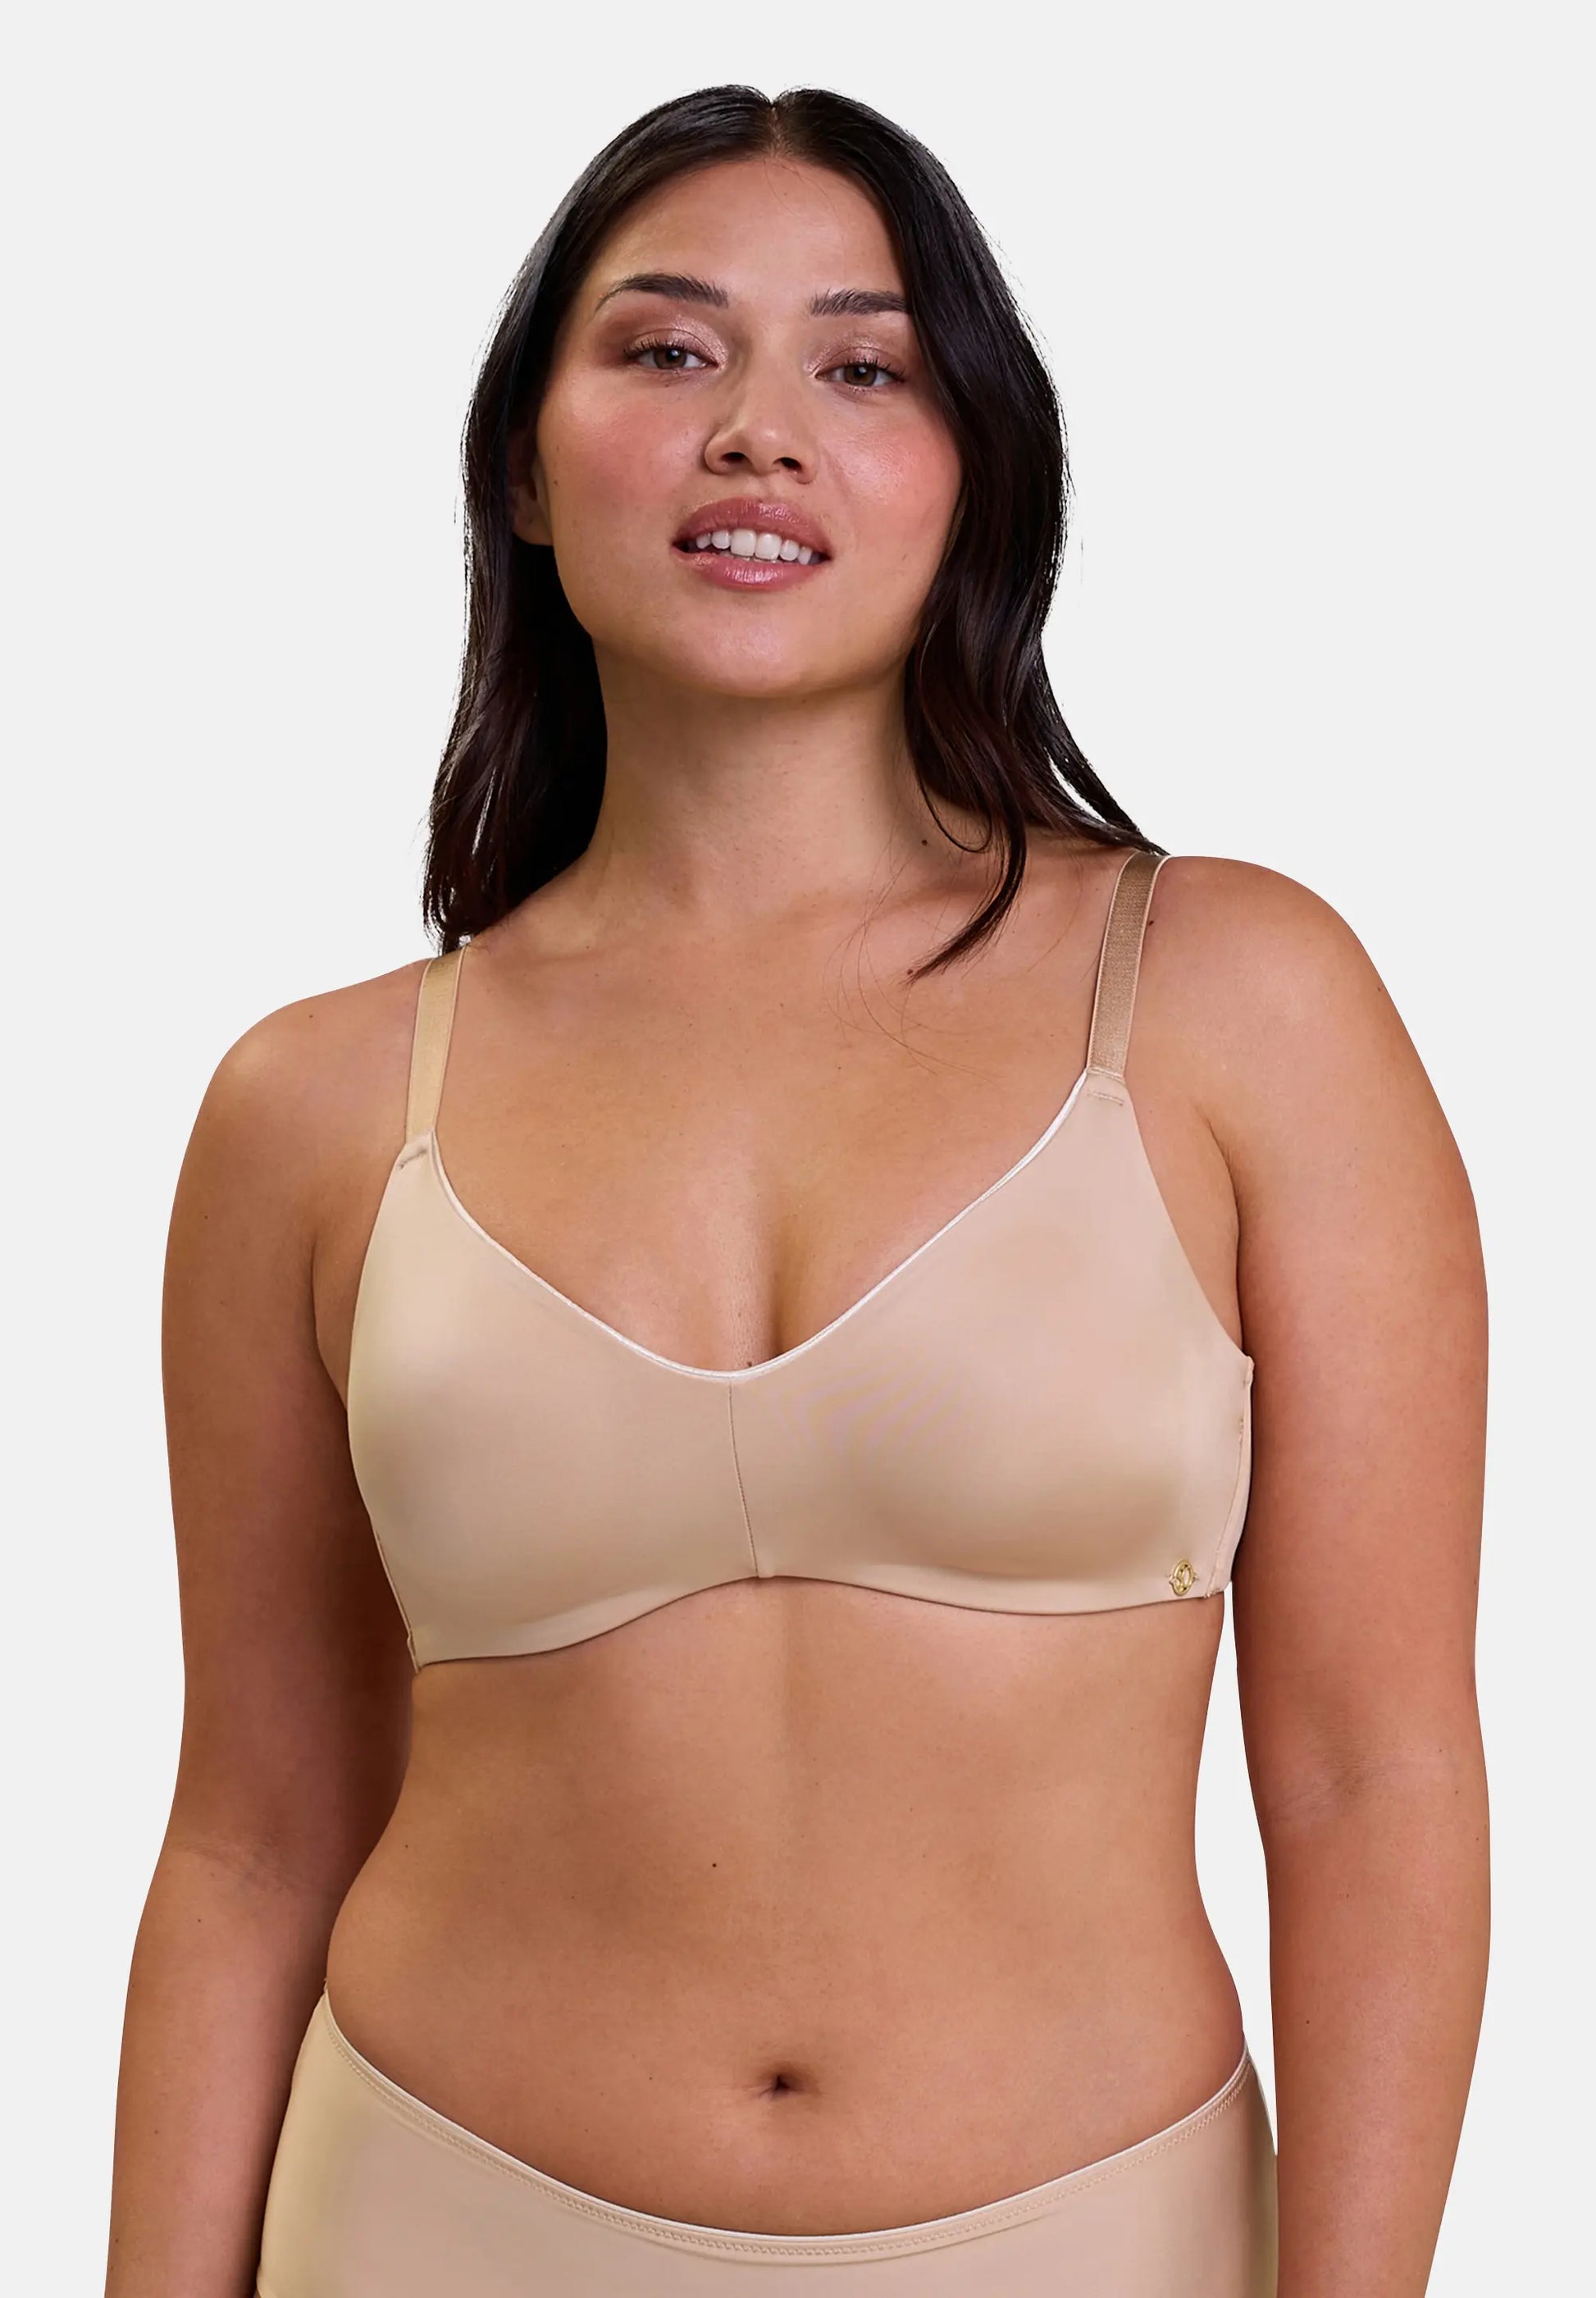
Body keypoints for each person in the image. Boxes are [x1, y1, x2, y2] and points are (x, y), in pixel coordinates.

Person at [104, 84, 1489, 2298]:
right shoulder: (316, 1103)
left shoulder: (1236, 1004)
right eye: (666, 351)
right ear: (521, 468)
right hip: (424, 2223)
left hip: (1096, 2244)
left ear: (980, 473)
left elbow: (1369, 1778)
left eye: (864, 367)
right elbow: (252, 1840)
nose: (756, 431)